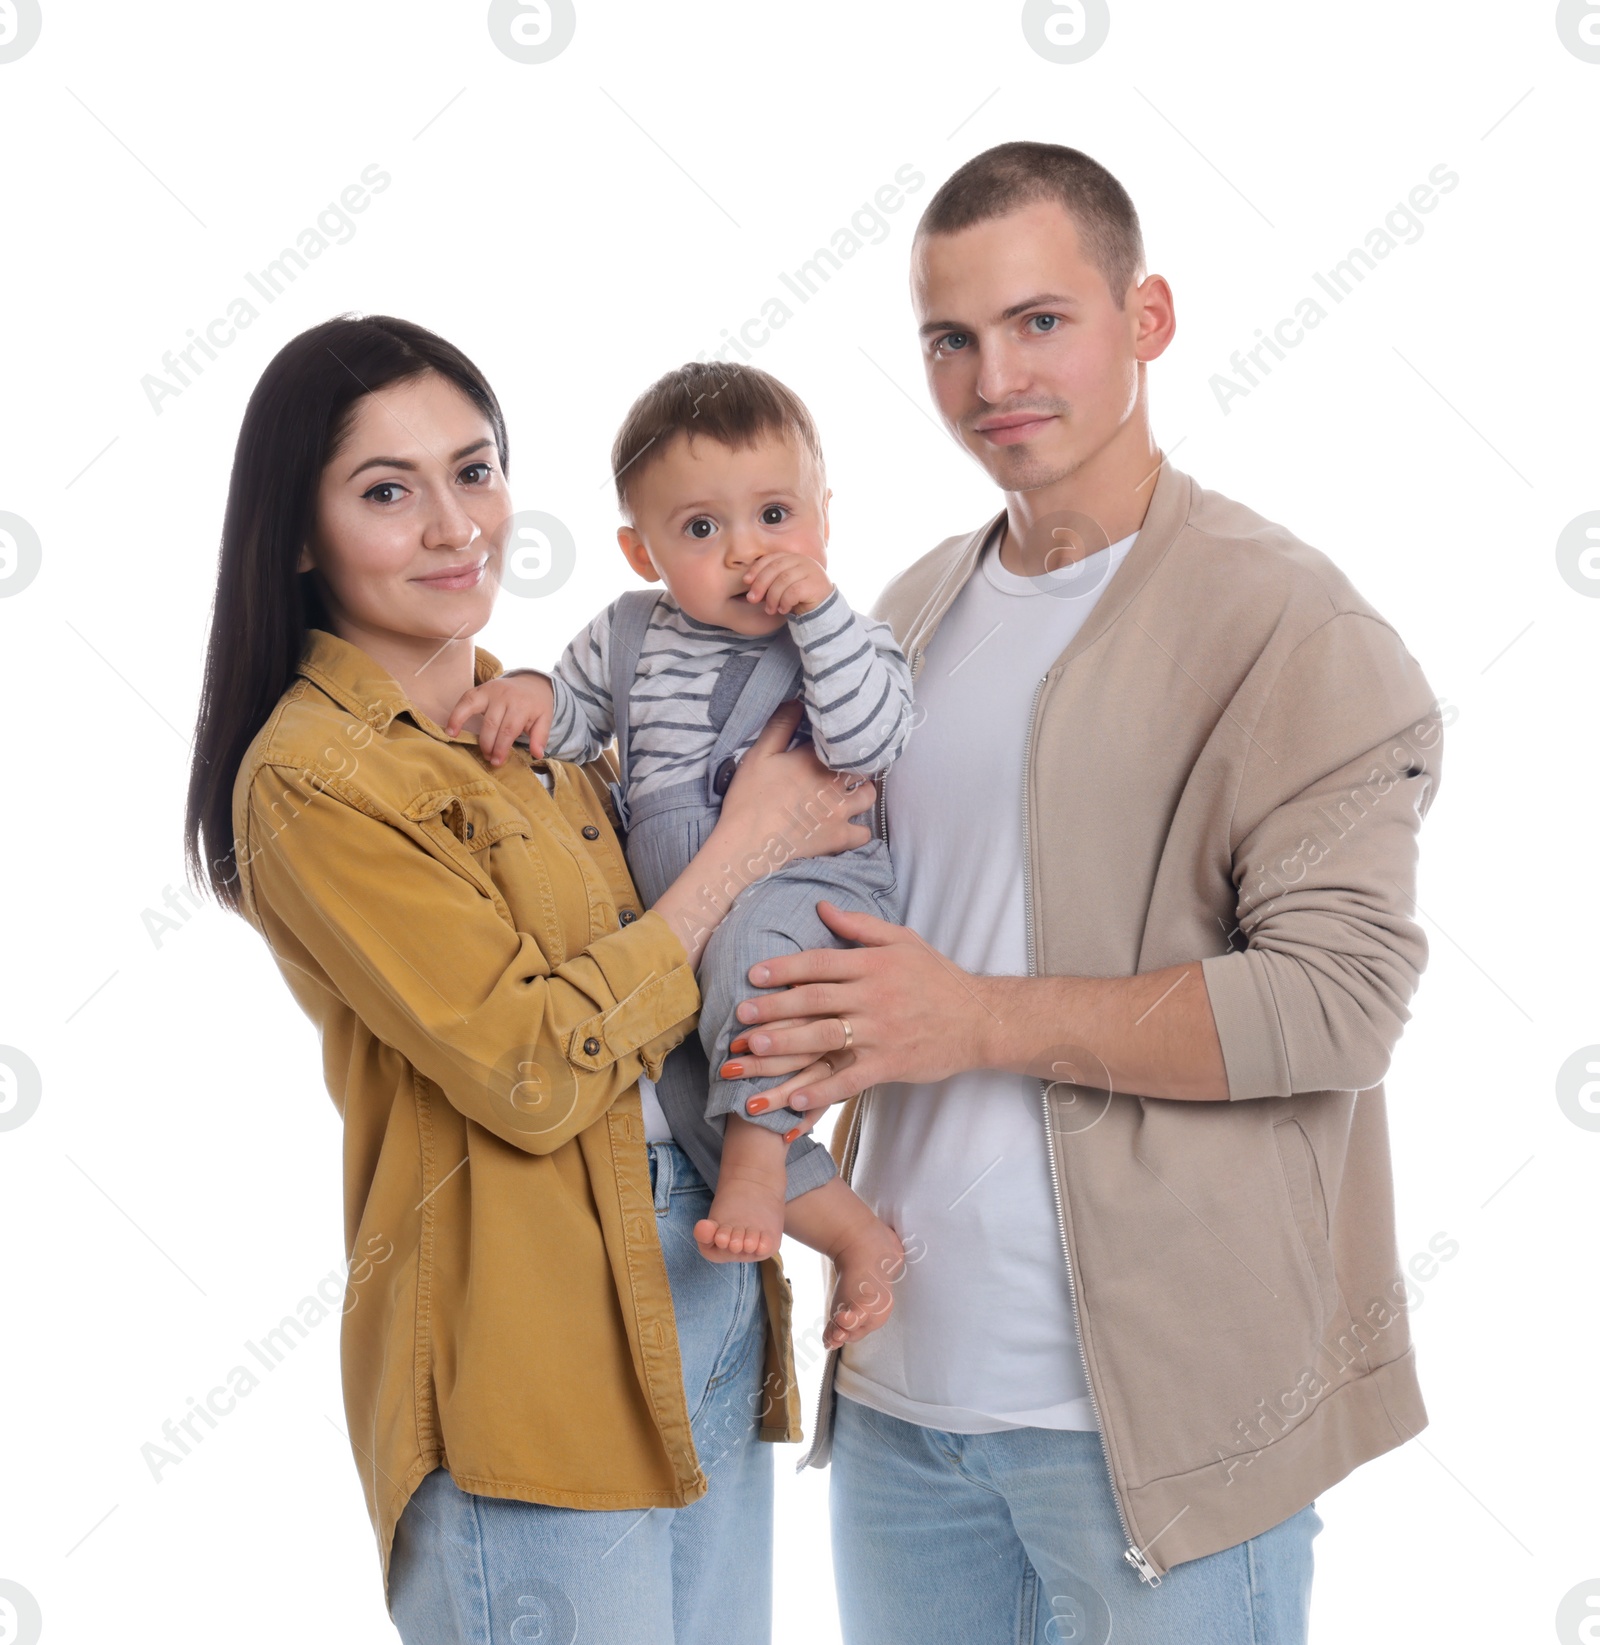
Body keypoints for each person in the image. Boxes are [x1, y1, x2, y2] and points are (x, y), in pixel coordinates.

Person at [720, 141, 1445, 1644]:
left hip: (1157, 1438)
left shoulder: (1288, 624)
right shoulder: (904, 613)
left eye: (1043, 321)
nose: (996, 376)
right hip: (904, 1407)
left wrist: (973, 1018)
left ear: (1149, 319)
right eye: (951, 338)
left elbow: (1341, 1002)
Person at [182, 314, 871, 1644]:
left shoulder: (550, 730)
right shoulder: (314, 779)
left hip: (702, 1310)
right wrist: (748, 845)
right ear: (300, 534)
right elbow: (534, 1066)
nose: (455, 527)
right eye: (389, 490)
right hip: (531, 1366)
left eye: (475, 470)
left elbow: (703, 979)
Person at [447, 361, 907, 1333]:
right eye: (702, 529)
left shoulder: (853, 640)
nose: (748, 553)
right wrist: (525, 693)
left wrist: (819, 615)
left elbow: (868, 742)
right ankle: (853, 1233)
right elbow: (567, 722)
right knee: (682, 1077)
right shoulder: (626, 637)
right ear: (640, 549)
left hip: (812, 886)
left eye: (776, 516)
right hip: (683, 934)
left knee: (753, 986)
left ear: (825, 512)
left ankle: (753, 1163)